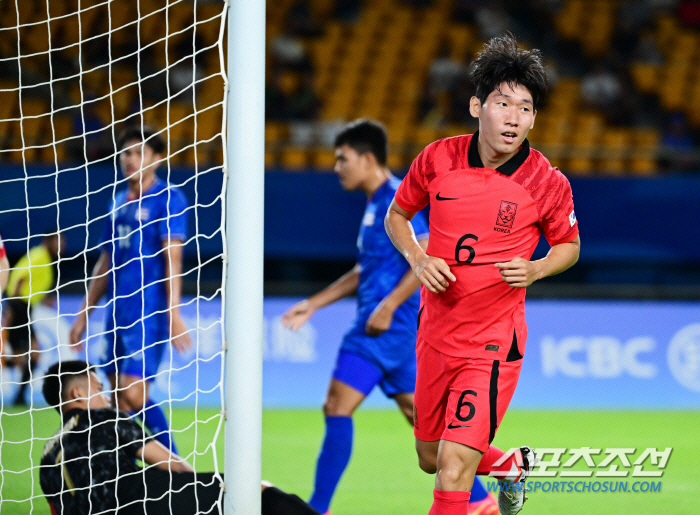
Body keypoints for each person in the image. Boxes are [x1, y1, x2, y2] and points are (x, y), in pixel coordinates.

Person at [385, 34, 580, 515]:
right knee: (430, 457)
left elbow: (569, 246)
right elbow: (397, 216)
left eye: (526, 108)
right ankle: (512, 465)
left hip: (493, 341)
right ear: (477, 106)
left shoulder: (546, 182)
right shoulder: (436, 159)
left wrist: (536, 268)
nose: (514, 117)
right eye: (503, 103)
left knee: (454, 466)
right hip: (435, 332)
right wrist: (417, 256)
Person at [281, 119, 498, 515]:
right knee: (427, 435)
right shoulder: (373, 204)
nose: (336, 167)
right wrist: (315, 303)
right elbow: (365, 270)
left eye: (342, 159)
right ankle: (483, 498)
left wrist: (389, 305)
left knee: (336, 406)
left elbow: (429, 248)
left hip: (387, 329)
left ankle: (318, 508)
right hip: (393, 332)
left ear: (367, 159)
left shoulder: (399, 197)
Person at [40, 360, 321, 515]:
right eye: (99, 388)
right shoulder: (107, 418)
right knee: (250, 490)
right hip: (137, 499)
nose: (106, 396)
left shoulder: (47, 454)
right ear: (77, 394)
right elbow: (171, 465)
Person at [69, 125, 191, 454]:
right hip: (116, 313)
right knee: (119, 400)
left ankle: (177, 470)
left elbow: (173, 258)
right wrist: (83, 316)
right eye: (126, 153)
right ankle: (130, 480)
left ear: (157, 159)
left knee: (133, 394)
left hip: (148, 312)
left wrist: (174, 312)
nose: (130, 159)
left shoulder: (170, 198)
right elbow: (105, 264)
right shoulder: (118, 202)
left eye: (139, 153)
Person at [4, 230, 64, 405]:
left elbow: (32, 283)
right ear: (48, 240)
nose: (62, 246)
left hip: (25, 309)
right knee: (27, 356)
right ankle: (19, 397)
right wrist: (11, 307)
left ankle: (19, 397)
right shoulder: (39, 256)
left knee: (28, 356)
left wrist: (44, 298)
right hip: (19, 308)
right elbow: (19, 278)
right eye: (58, 241)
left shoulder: (45, 259)